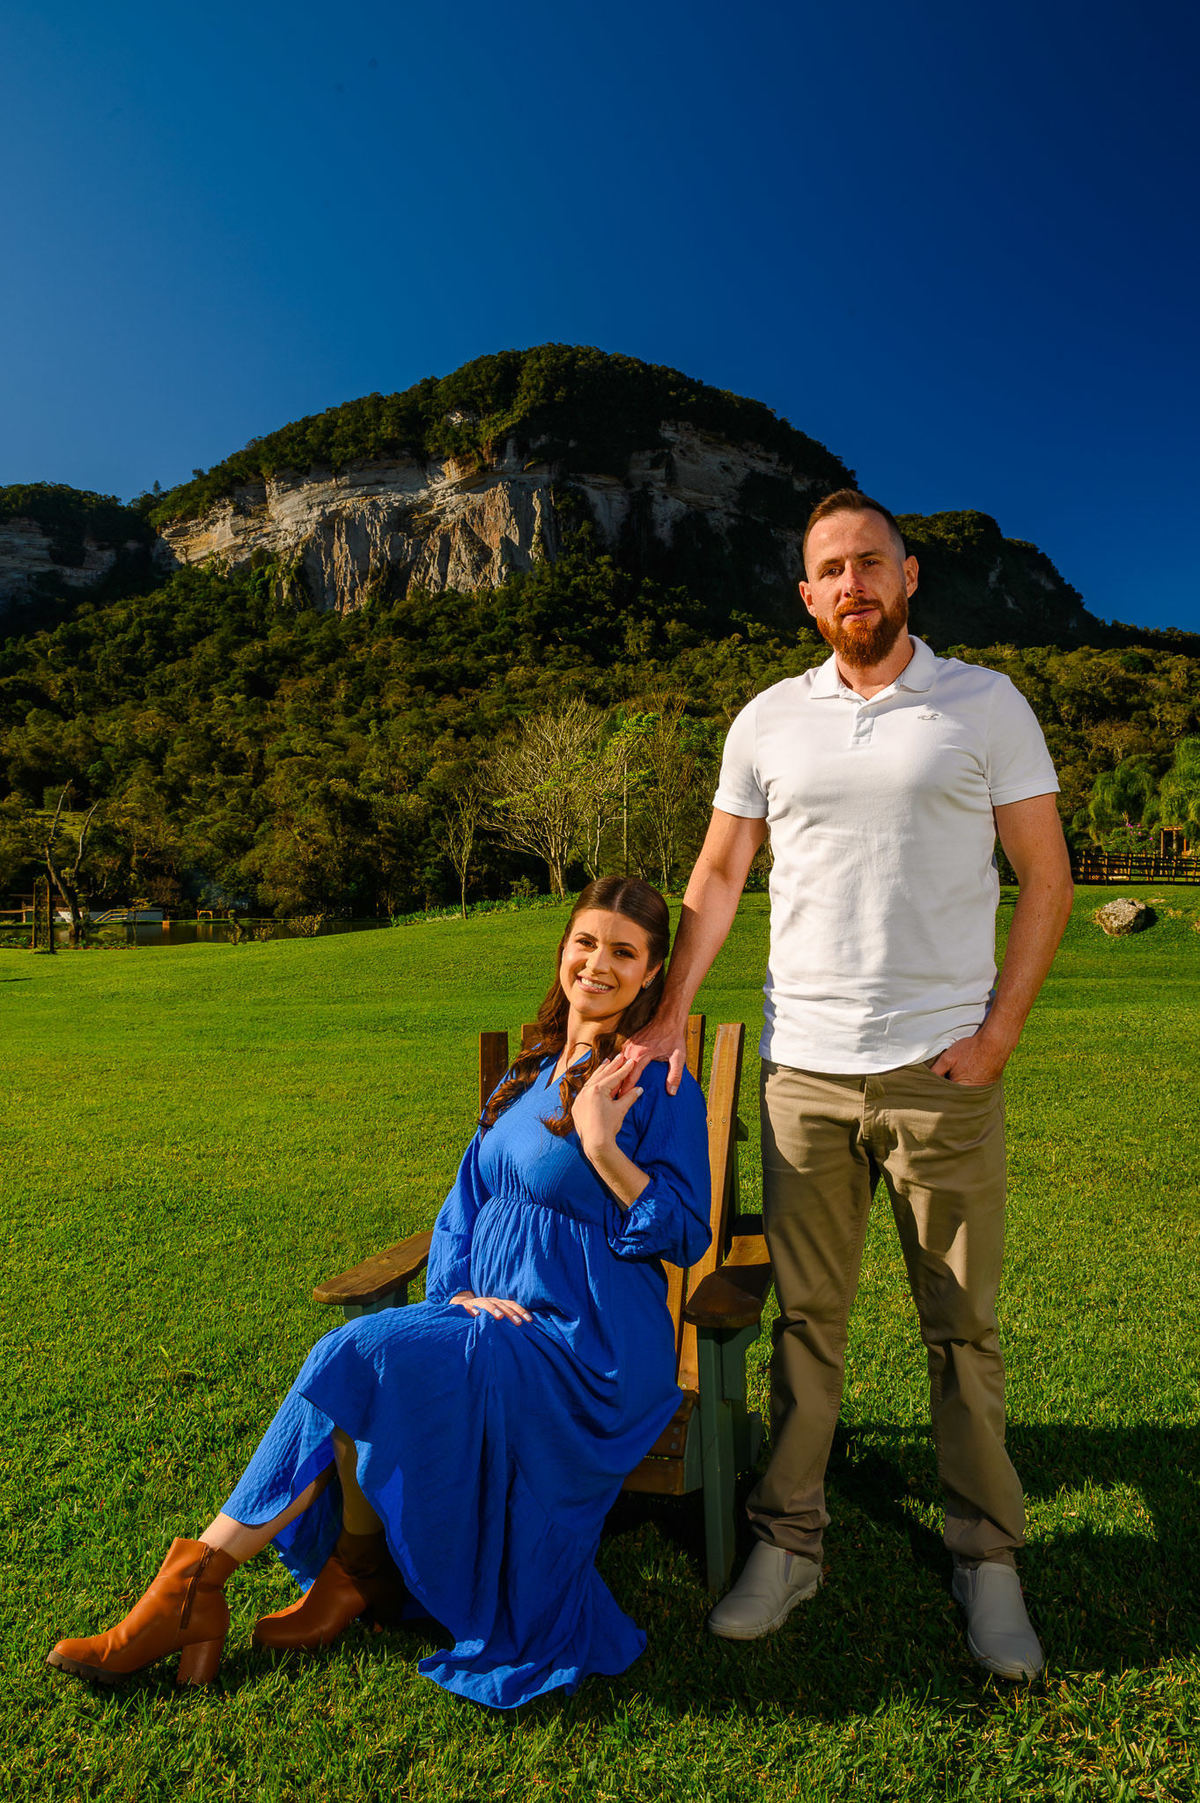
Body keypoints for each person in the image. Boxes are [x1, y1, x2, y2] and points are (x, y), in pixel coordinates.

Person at [47, 878, 712, 1709]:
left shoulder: (659, 1083)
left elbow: (686, 1233)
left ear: (652, 972)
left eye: (623, 951)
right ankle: (286, 1580)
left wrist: (603, 1147)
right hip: (493, 1323)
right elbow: (464, 1208)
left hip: (588, 1347)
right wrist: (456, 1295)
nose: (598, 964)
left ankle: (210, 1589)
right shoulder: (528, 1072)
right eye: (586, 941)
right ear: (562, 949)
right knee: (362, 1358)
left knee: (354, 1350)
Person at [624, 490, 1074, 1680]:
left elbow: (1046, 875)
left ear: (910, 576)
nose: (852, 582)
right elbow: (719, 873)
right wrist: (668, 1013)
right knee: (808, 1327)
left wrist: (997, 1038)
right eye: (831, 568)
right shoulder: (770, 719)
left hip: (940, 1074)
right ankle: (789, 1544)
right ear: (807, 595)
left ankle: (987, 1561)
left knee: (962, 1330)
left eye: (872, 561)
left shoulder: (984, 702)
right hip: (804, 1076)